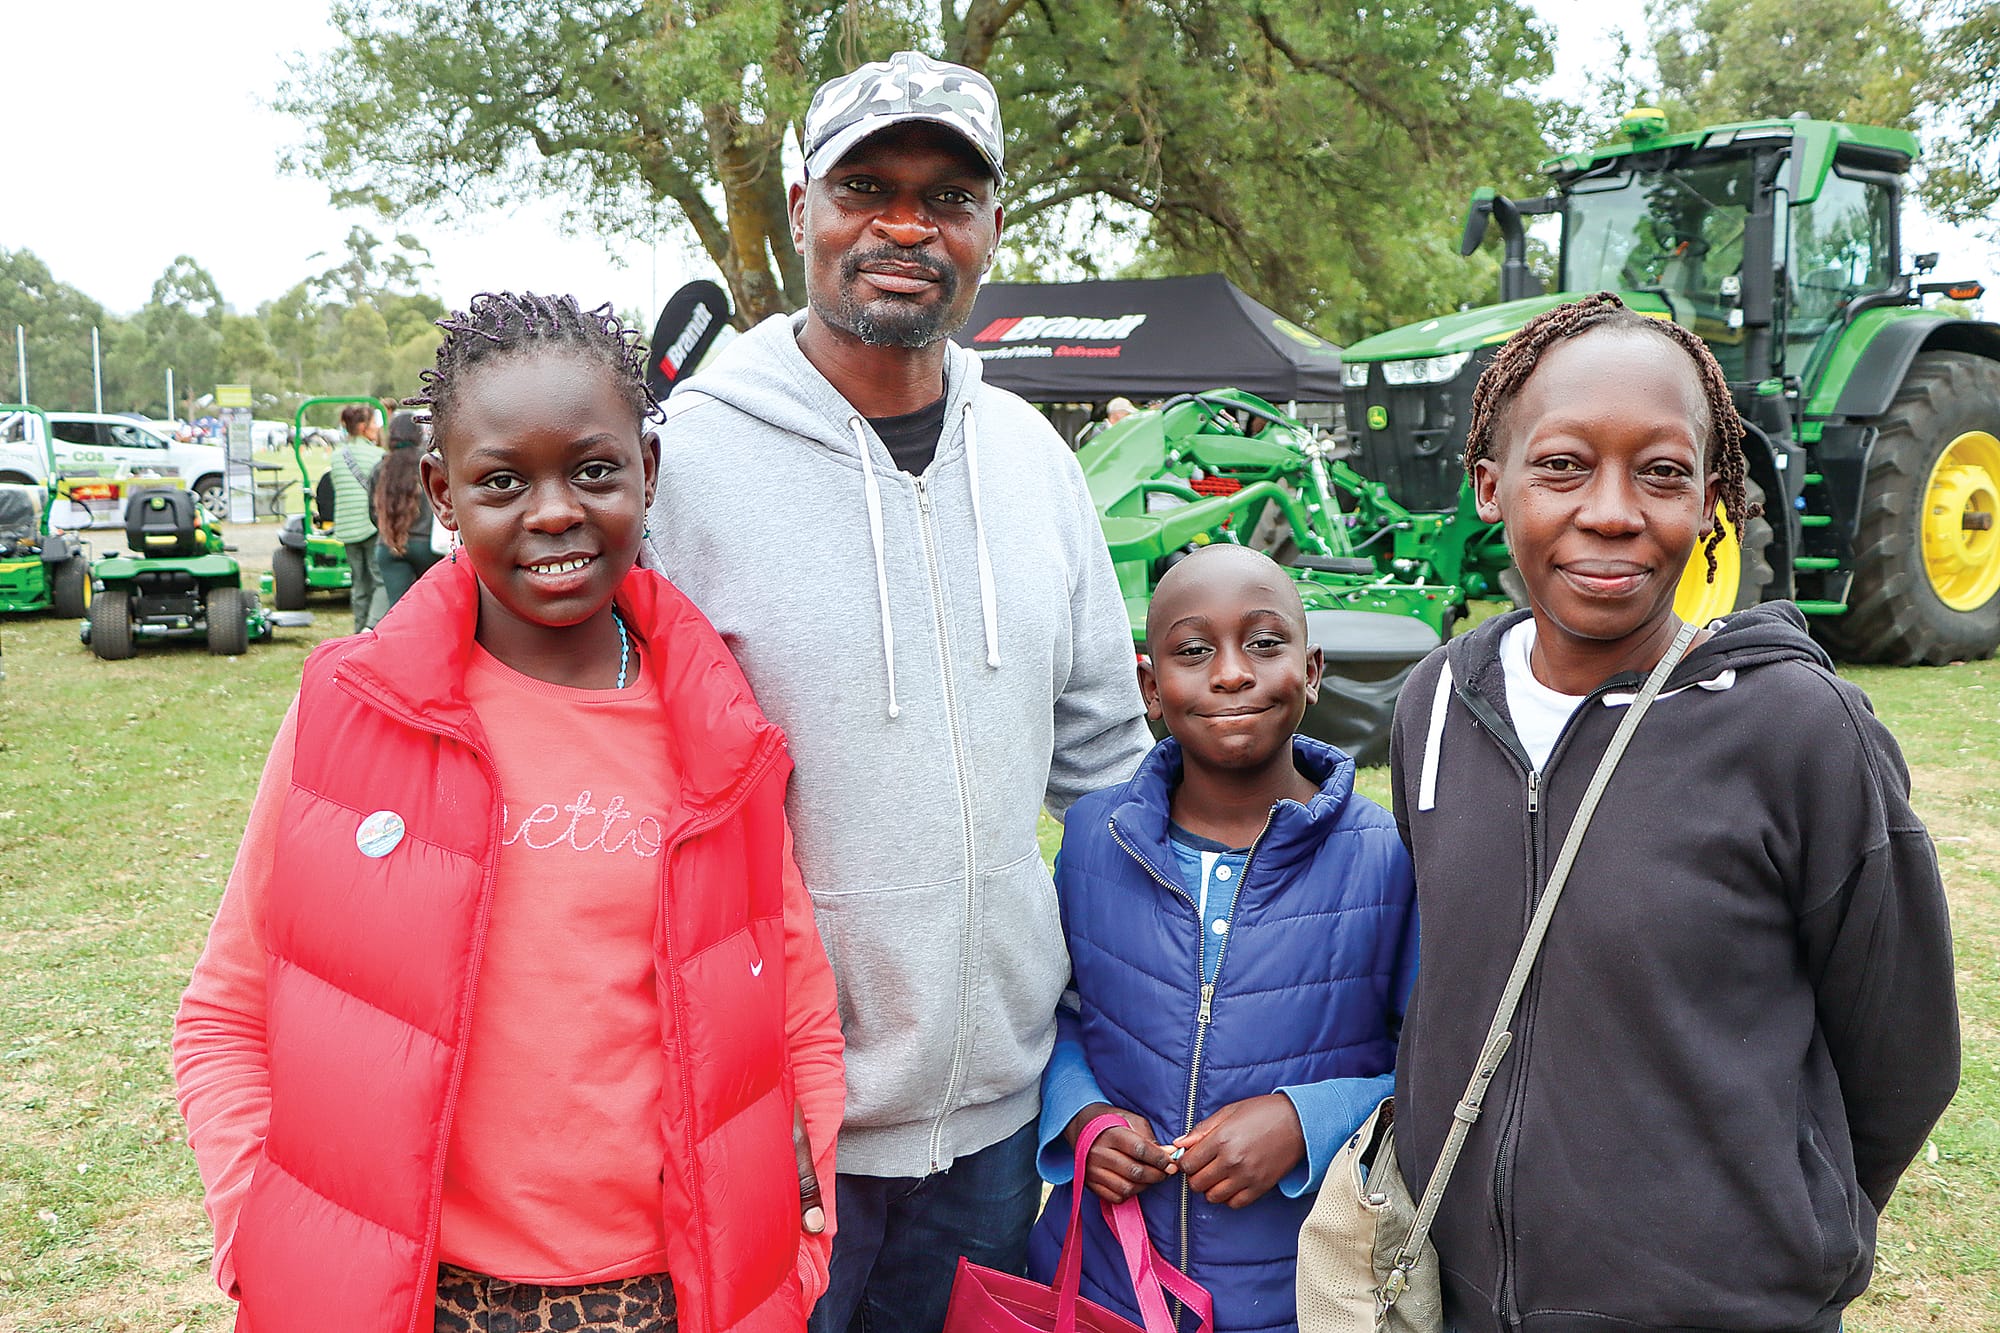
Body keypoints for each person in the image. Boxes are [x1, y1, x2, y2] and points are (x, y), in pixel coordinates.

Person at [172, 292, 845, 1333]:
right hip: (420, 1302)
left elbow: (794, 1015)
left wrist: (798, 1242)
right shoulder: (352, 715)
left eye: (591, 468)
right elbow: (224, 1012)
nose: (552, 512)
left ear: (647, 473)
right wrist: (251, 1233)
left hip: (672, 1296)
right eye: (501, 480)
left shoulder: (721, 732)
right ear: (442, 493)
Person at [645, 50, 1153, 1333]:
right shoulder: (687, 463)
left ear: (991, 226)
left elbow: (1106, 768)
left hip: (1002, 1124)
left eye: (946, 196)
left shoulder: (1037, 462)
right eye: (867, 186)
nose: (904, 227)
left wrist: (1116, 1051)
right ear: (806, 200)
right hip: (769, 1118)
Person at [1386, 293, 1959, 1333]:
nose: (1610, 510)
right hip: (1461, 1301)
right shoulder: (1432, 704)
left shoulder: (1797, 730)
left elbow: (1902, 1054)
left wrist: (1774, 1237)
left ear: (1711, 500)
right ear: (1487, 485)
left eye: (1660, 471)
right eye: (1561, 464)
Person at [1027, 544, 1418, 1333]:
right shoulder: (1097, 839)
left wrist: (1303, 1122)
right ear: (1150, 686)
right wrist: (1082, 1116)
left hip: (1303, 1292)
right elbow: (1052, 1013)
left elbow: (1434, 1063)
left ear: (1312, 671)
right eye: (1194, 650)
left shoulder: (1389, 855)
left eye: (1264, 643)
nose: (1232, 673)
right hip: (1107, 1284)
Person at [372, 409, 440, 611]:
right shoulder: (429, 463)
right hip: (429, 545)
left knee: (399, 612)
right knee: (434, 608)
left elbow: (372, 512)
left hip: (389, 545)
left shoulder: (380, 467)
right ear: (418, 433)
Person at [328, 401, 387, 631]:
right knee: (379, 580)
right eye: (374, 423)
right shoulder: (378, 455)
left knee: (359, 583)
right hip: (371, 526)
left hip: (347, 527)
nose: (377, 428)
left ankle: (358, 631)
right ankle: (371, 629)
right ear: (363, 426)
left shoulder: (336, 456)